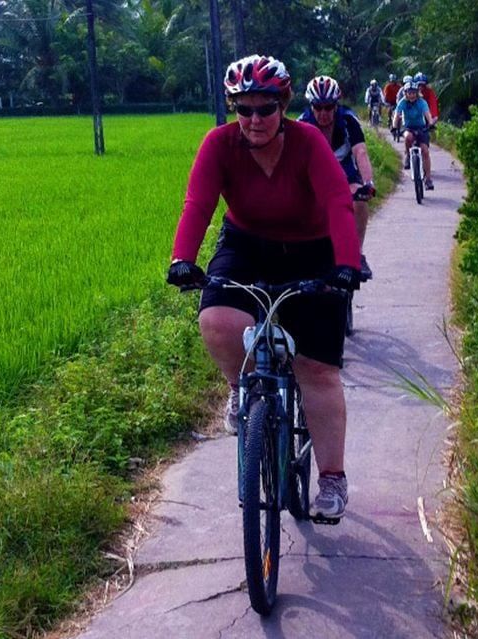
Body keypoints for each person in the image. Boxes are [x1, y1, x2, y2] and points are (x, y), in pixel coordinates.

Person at [166, 55, 361, 520]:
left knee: (317, 370)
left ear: (284, 105)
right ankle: (240, 386)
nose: (254, 119)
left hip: (313, 249)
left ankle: (332, 479)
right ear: (233, 108)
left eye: (265, 108)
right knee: (217, 319)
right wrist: (182, 259)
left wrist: (347, 265)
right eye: (243, 108)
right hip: (246, 244)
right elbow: (199, 203)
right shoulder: (219, 145)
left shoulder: (308, 142)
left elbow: (338, 201)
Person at [299, 75, 375, 279]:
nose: (323, 113)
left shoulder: (348, 120)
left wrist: (368, 184)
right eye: (318, 107)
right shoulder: (302, 125)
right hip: (314, 177)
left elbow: (361, 153)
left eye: (328, 107)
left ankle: (357, 255)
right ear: (311, 106)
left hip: (346, 176)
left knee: (359, 203)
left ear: (336, 106)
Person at [392, 81, 434, 191]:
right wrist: (394, 126)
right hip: (408, 127)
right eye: (409, 93)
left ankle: (428, 178)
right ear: (405, 93)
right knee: (408, 137)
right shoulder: (402, 102)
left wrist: (430, 123)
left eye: (413, 93)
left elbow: (427, 114)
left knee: (425, 151)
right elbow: (397, 115)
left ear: (417, 93)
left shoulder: (422, 102)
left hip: (421, 128)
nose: (411, 95)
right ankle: (408, 155)